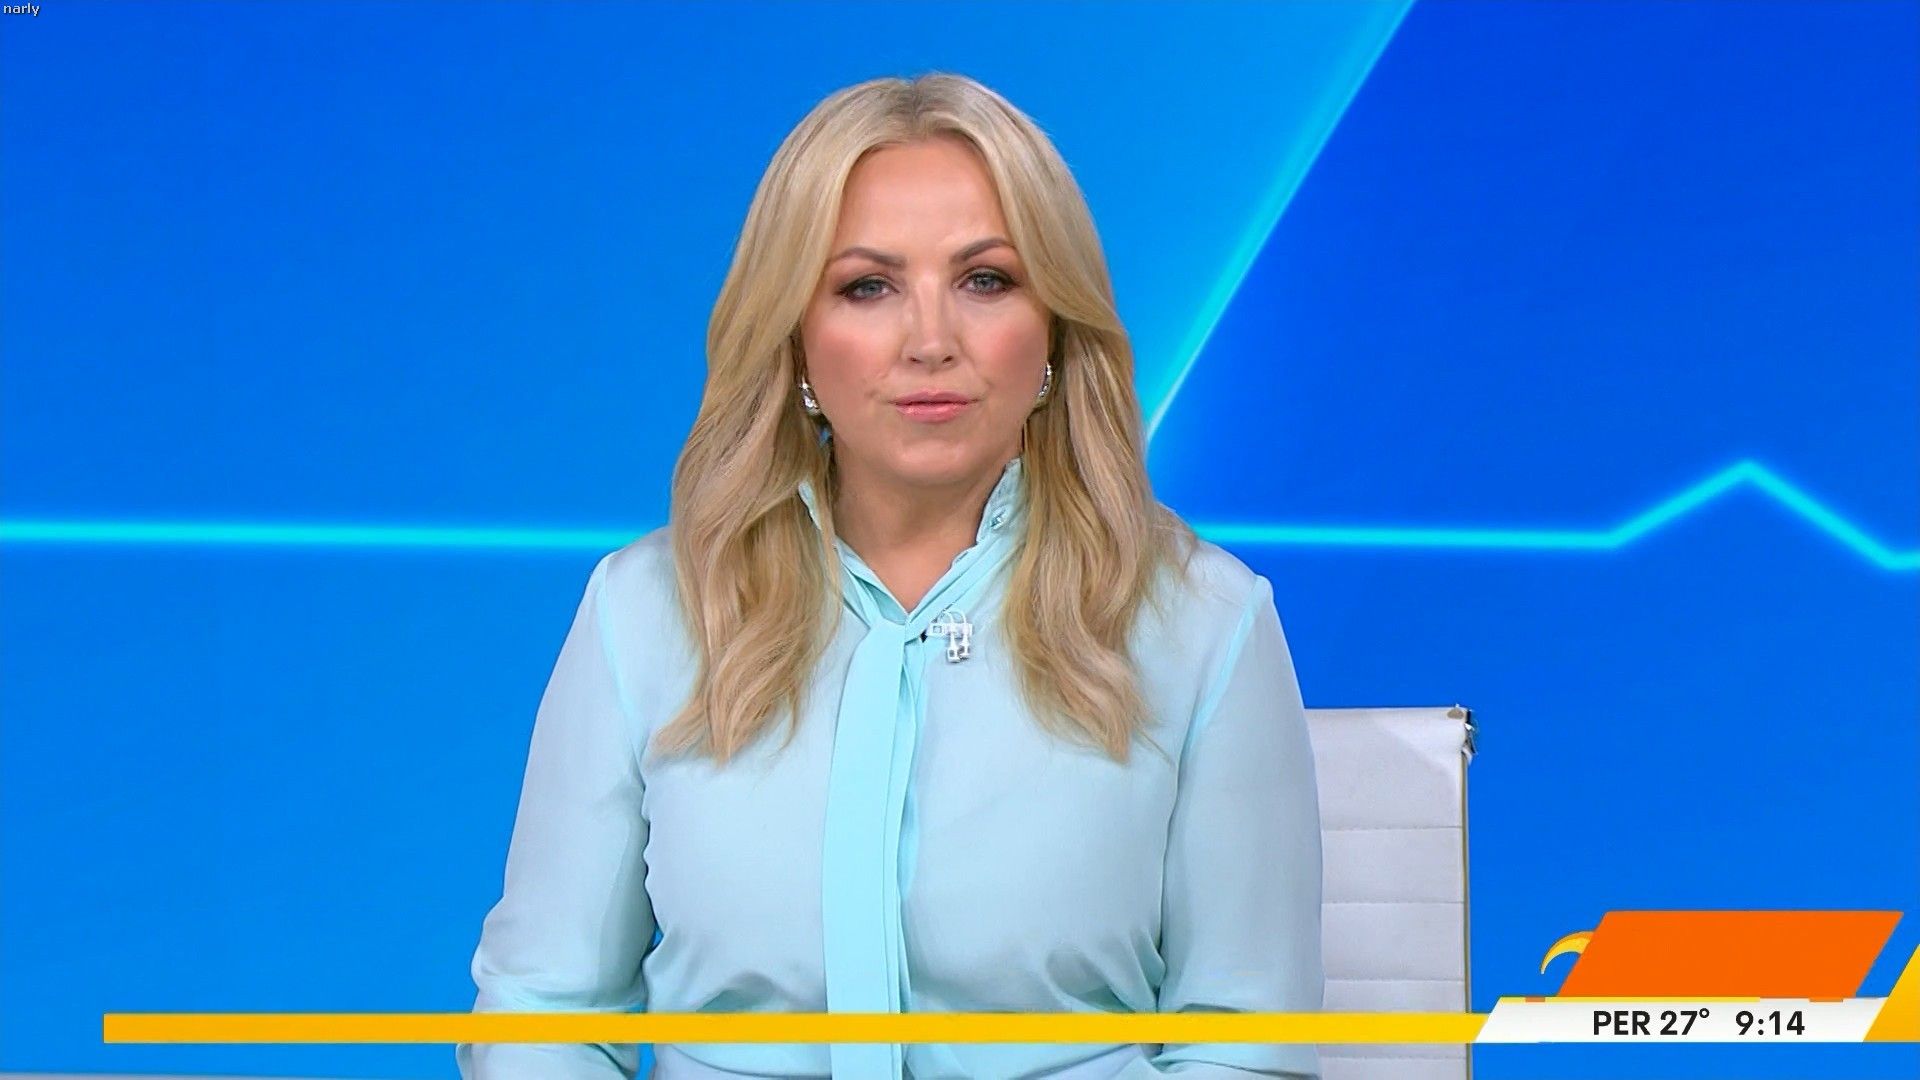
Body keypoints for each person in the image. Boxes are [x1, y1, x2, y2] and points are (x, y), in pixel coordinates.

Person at [457, 72, 1323, 1080]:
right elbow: (543, 1014)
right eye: (868, 287)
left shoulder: (1205, 622)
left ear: (1053, 329)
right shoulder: (644, 612)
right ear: (794, 339)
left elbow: (1246, 1047)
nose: (930, 343)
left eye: (985, 280)